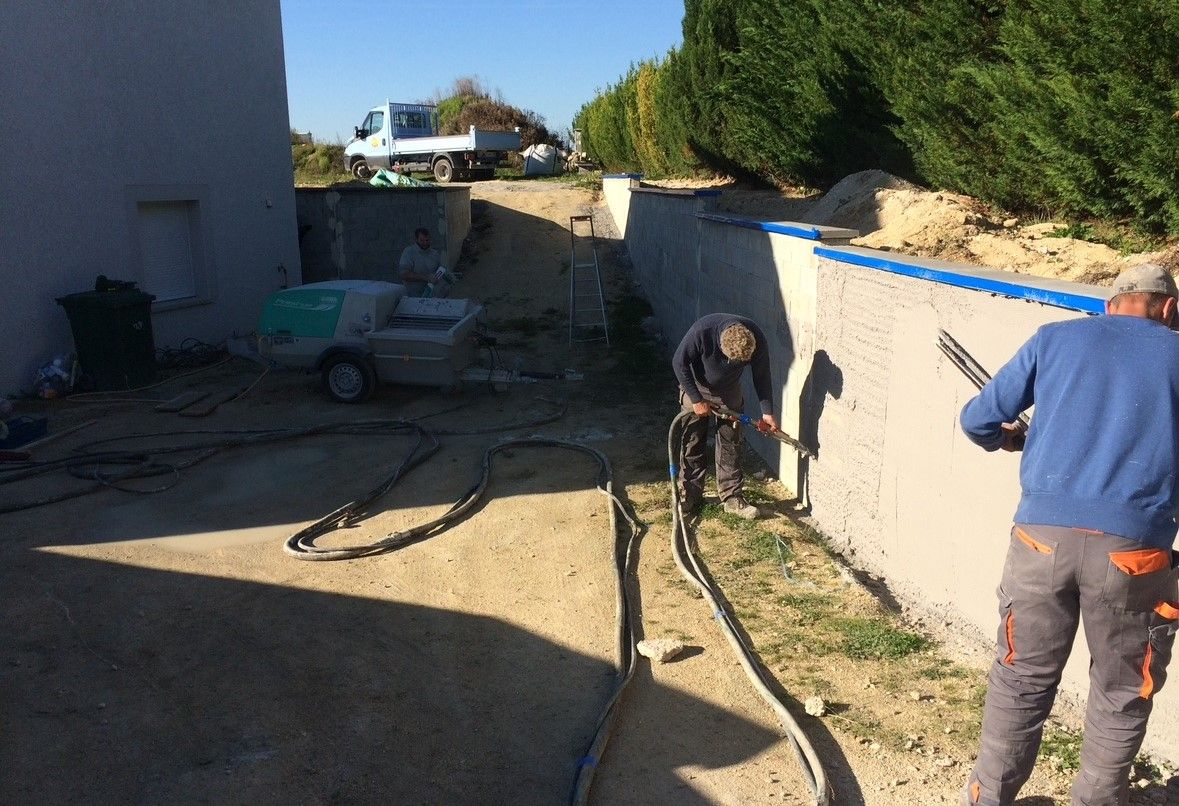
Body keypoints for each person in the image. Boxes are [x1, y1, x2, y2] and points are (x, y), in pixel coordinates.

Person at [958, 263, 1179, 806]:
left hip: (1039, 542)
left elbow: (977, 420)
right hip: (1136, 553)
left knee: (1021, 678)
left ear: (1109, 306)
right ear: (1169, 309)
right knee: (1122, 690)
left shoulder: (1054, 338)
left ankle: (989, 799)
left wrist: (1012, 441)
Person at [673, 313, 781, 520]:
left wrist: (767, 413)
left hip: (729, 391)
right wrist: (696, 399)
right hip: (696, 387)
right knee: (692, 440)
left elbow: (762, 376)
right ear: (721, 346)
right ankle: (690, 493)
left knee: (732, 442)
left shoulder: (756, 338)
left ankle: (732, 496)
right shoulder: (702, 331)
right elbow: (679, 363)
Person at [397, 228, 452, 297]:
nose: (425, 243)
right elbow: (404, 274)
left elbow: (440, 272)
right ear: (416, 239)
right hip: (413, 297)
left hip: (432, 296)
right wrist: (426, 277)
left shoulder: (434, 254)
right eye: (422, 240)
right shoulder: (409, 252)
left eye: (427, 240)